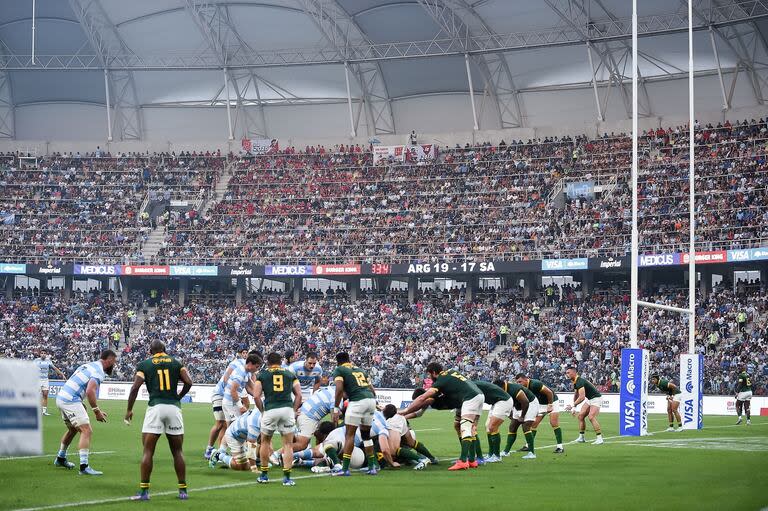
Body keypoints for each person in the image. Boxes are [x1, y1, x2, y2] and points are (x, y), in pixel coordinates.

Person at [125, 340, 193, 501]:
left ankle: (144, 492)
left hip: (155, 407)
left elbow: (135, 387)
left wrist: (129, 409)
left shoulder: (145, 364)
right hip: (174, 408)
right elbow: (189, 382)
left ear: (150, 351)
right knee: (178, 452)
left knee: (148, 452)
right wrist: (179, 397)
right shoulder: (176, 362)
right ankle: (183, 491)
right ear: (164, 349)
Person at [400, 363, 484, 471]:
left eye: (429, 375)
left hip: (469, 398)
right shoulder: (450, 373)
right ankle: (472, 460)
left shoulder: (438, 385)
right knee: (464, 427)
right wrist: (404, 416)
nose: (429, 378)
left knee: (465, 428)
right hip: (474, 396)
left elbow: (421, 399)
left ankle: (463, 461)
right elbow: (419, 412)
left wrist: (404, 411)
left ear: (434, 373)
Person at [54, 350, 117, 475]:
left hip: (62, 397)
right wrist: (96, 411)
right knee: (86, 430)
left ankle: (61, 458)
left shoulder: (88, 365)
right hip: (71, 400)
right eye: (113, 362)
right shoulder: (99, 371)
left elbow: (78, 383)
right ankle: (84, 467)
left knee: (73, 429)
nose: (114, 365)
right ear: (109, 360)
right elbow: (90, 391)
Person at [252, 352, 302, 486]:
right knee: (288, 445)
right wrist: (293, 410)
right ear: (281, 362)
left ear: (268, 362)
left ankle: (264, 475)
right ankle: (287, 478)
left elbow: (256, 396)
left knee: (265, 442)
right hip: (287, 409)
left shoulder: (262, 375)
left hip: (270, 410)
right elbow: (299, 395)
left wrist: (262, 411)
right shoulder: (290, 374)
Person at [330, 352, 378, 476]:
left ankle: (345, 468)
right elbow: (372, 390)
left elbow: (339, 389)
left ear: (338, 362)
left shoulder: (339, 370)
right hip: (371, 400)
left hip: (357, 402)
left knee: (349, 435)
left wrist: (336, 408)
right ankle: (372, 467)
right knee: (366, 435)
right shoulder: (360, 370)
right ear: (349, 359)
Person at [205, 349, 248, 459]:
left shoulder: (246, 370)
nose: (245, 354)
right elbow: (225, 378)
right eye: (244, 352)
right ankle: (209, 449)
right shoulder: (236, 364)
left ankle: (220, 452)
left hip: (228, 395)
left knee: (226, 425)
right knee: (220, 423)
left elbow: (246, 386)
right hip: (220, 394)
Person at [514, 374, 564, 452]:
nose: (519, 384)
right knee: (533, 424)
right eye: (517, 382)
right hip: (540, 404)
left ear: (526, 379)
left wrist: (550, 405)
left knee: (553, 423)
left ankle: (560, 447)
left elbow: (549, 392)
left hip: (552, 401)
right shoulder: (522, 388)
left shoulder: (535, 384)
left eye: (520, 381)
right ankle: (528, 445)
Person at [492, 380, 538, 459]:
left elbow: (525, 402)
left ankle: (532, 453)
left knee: (526, 427)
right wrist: (510, 413)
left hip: (530, 404)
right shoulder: (502, 390)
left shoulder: (514, 389)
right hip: (518, 405)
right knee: (512, 427)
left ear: (502, 386)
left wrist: (522, 416)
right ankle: (506, 451)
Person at [473, 380, 514, 462]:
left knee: (492, 427)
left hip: (503, 401)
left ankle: (497, 456)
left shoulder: (471, 386)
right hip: (496, 402)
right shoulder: (471, 384)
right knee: (488, 427)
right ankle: (491, 454)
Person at [565, 367, 603, 444]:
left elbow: (582, 397)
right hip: (589, 399)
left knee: (591, 417)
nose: (567, 374)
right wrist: (574, 408)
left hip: (596, 399)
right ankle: (581, 438)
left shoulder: (579, 381)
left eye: (568, 373)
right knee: (580, 416)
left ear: (574, 373)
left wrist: (572, 405)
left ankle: (600, 439)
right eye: (566, 373)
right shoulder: (575, 382)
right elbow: (576, 394)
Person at [293, 380, 335, 451]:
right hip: (308, 417)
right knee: (302, 444)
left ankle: (316, 455)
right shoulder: (336, 396)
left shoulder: (329, 389)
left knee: (320, 434)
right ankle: (276, 454)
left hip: (307, 413)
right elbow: (335, 419)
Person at [222, 353, 261, 424]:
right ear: (250, 364)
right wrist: (240, 406)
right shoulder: (240, 373)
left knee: (230, 429)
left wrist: (259, 395)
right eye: (256, 367)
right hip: (231, 403)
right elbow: (233, 390)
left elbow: (250, 387)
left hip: (229, 402)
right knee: (235, 428)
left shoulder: (246, 372)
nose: (257, 369)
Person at [35, 349, 65, 416]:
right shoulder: (36, 361)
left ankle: (44, 411)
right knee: (38, 396)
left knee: (45, 395)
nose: (43, 354)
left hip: (45, 380)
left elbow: (55, 368)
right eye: (42, 353)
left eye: (44, 353)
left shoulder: (48, 361)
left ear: (46, 354)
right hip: (37, 380)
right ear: (40, 354)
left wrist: (61, 374)